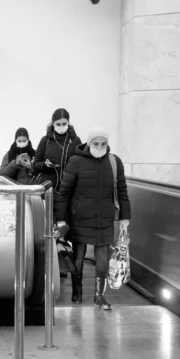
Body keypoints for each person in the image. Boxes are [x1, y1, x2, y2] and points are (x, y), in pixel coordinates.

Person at [54, 127, 131, 310]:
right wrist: (61, 220)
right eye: (96, 143)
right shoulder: (76, 161)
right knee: (78, 257)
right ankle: (77, 292)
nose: (99, 146)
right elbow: (63, 193)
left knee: (103, 258)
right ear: (89, 144)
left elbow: (122, 191)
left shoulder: (114, 162)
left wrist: (125, 218)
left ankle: (99, 295)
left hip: (105, 217)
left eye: (103, 143)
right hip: (80, 217)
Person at [32, 108, 81, 193]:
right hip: (48, 189)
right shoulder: (45, 140)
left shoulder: (75, 140)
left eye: (64, 124)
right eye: (58, 124)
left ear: (68, 123)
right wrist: (45, 165)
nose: (61, 127)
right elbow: (35, 165)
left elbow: (81, 165)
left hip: (68, 189)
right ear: (53, 123)